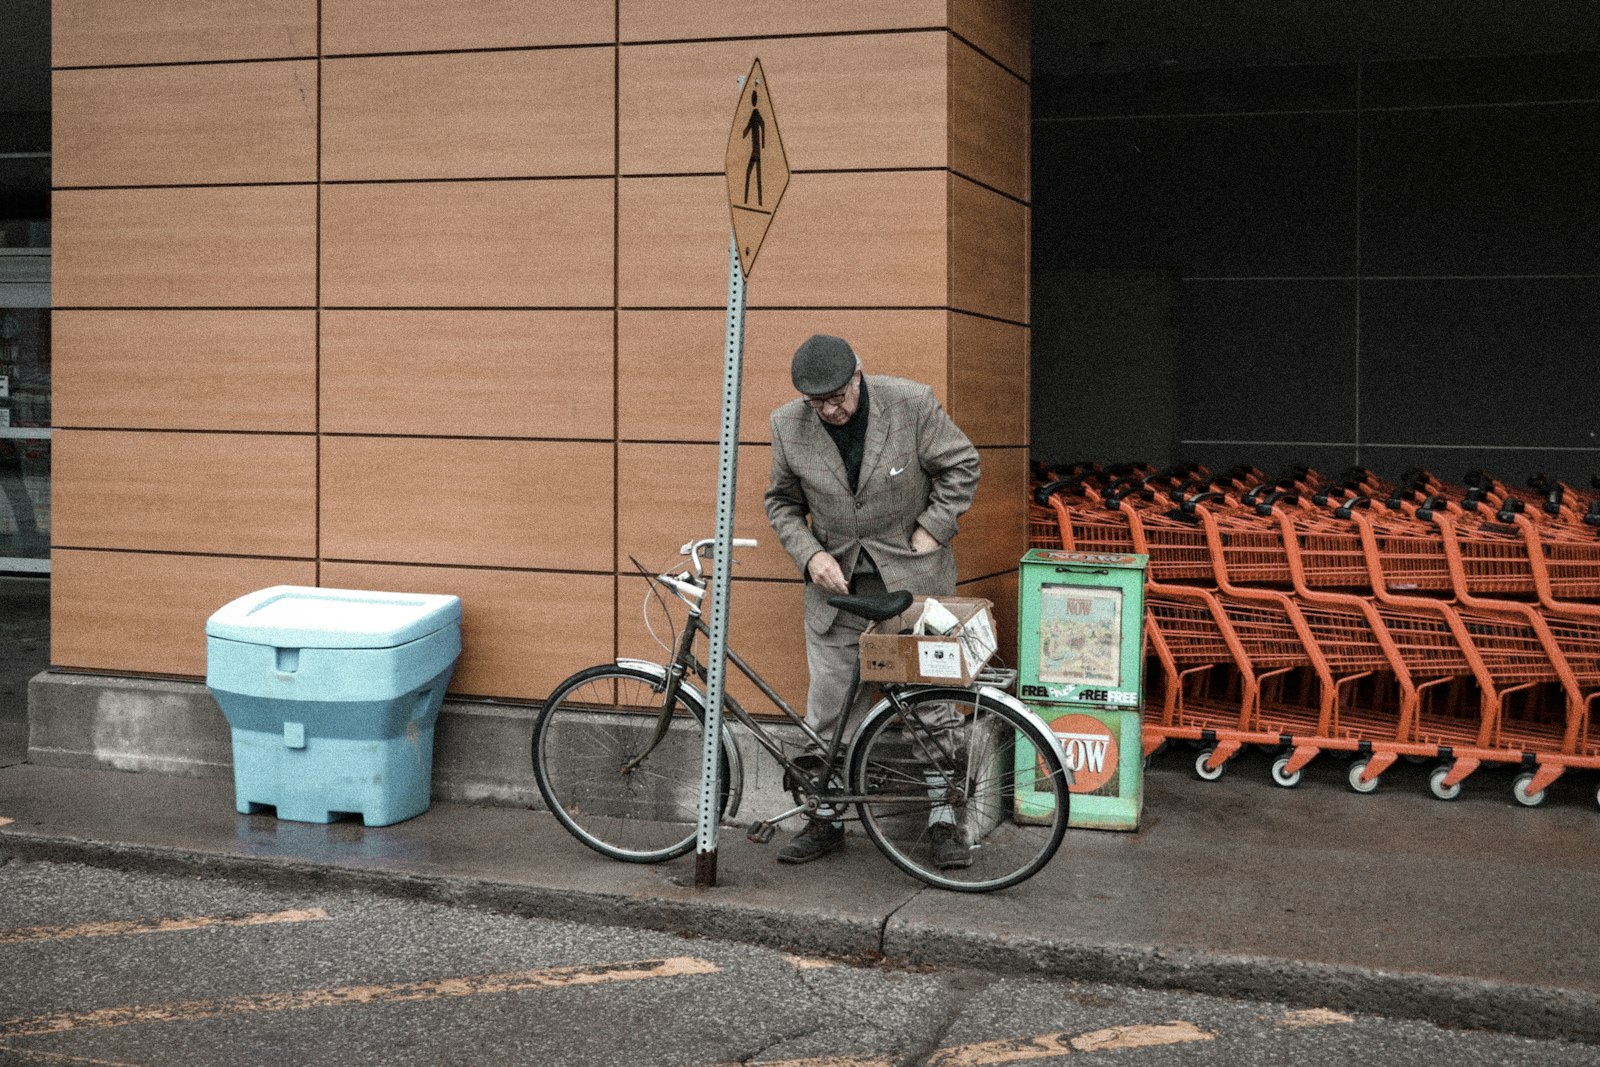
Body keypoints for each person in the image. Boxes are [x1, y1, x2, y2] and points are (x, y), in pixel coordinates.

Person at [764, 334, 981, 867]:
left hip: (911, 579)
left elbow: (962, 465)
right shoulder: (787, 426)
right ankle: (826, 819)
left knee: (929, 703)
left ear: (858, 375)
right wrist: (810, 555)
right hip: (836, 589)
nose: (832, 411)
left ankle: (943, 818)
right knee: (831, 706)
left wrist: (933, 527)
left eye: (839, 397)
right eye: (819, 404)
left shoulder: (911, 403)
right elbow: (782, 503)